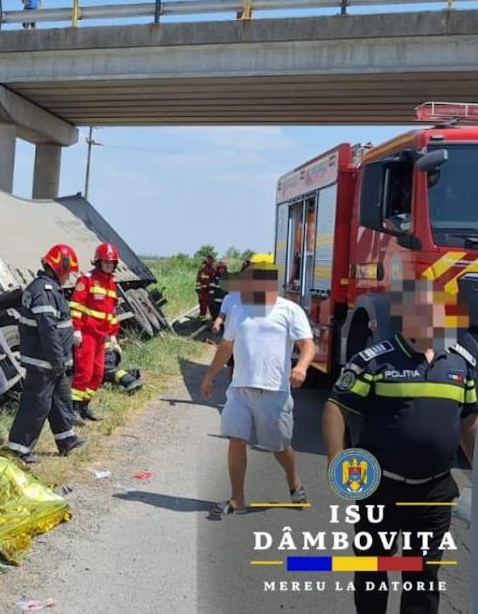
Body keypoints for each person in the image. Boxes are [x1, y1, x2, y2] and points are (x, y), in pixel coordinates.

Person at [322, 273, 478, 614]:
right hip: (381, 486)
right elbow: (338, 406)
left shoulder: (460, 365)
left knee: (423, 575)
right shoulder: (374, 360)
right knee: (373, 570)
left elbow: (469, 421)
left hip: (435, 491)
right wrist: (337, 459)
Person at [200, 253, 315, 517]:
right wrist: (210, 376)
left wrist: (301, 367)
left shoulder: (290, 310)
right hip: (240, 390)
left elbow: (307, 344)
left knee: (278, 446)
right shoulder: (239, 309)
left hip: (274, 391)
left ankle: (293, 480)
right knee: (236, 439)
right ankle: (237, 498)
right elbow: (226, 346)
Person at [5, 244, 86, 463]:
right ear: (61, 266)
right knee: (37, 404)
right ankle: (19, 448)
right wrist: (58, 359)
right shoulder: (44, 291)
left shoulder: (47, 288)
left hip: (52, 361)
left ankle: (66, 438)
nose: (69, 278)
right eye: (68, 273)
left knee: (61, 399)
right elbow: (48, 329)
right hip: (44, 361)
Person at [69, 242, 121, 422]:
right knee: (84, 371)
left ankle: (84, 406)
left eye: (111, 262)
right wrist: (76, 329)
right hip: (86, 334)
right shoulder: (87, 279)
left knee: (98, 373)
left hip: (102, 336)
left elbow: (111, 312)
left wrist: (113, 334)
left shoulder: (111, 283)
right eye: (105, 262)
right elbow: (76, 306)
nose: (108, 265)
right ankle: (73, 409)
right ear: (98, 261)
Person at [196, 253, 216, 321]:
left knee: (212, 308)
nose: (210, 261)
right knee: (203, 309)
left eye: (212, 260)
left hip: (211, 293)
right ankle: (203, 323)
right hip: (203, 293)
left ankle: (213, 321)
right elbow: (198, 282)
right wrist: (199, 293)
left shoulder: (214, 270)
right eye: (209, 260)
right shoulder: (202, 270)